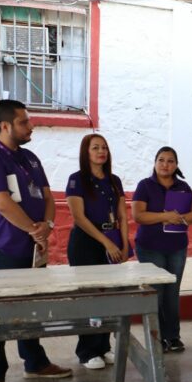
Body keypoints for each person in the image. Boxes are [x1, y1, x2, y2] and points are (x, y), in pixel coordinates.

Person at [0, 99, 72, 382]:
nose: (31, 126)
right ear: (5, 126)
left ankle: (35, 362)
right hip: (0, 250)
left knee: (31, 309)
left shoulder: (29, 158)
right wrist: (34, 229)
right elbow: (1, 203)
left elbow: (48, 197)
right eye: (24, 122)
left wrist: (47, 225)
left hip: (32, 250)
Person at [66, 134, 130, 369]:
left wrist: (124, 244)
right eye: (95, 148)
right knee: (90, 297)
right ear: (86, 152)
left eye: (104, 147)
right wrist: (107, 243)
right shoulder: (77, 180)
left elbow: (122, 215)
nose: (101, 151)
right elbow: (79, 217)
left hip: (112, 238)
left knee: (108, 295)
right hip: (87, 242)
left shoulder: (114, 180)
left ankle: (103, 346)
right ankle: (87, 351)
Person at [132, 147, 192, 353]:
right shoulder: (145, 185)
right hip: (150, 247)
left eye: (170, 161)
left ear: (176, 165)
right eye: (161, 160)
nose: (165, 164)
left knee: (172, 293)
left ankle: (173, 337)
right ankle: (156, 339)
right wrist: (165, 216)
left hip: (177, 248)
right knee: (157, 293)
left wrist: (180, 218)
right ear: (155, 163)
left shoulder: (183, 187)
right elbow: (138, 215)